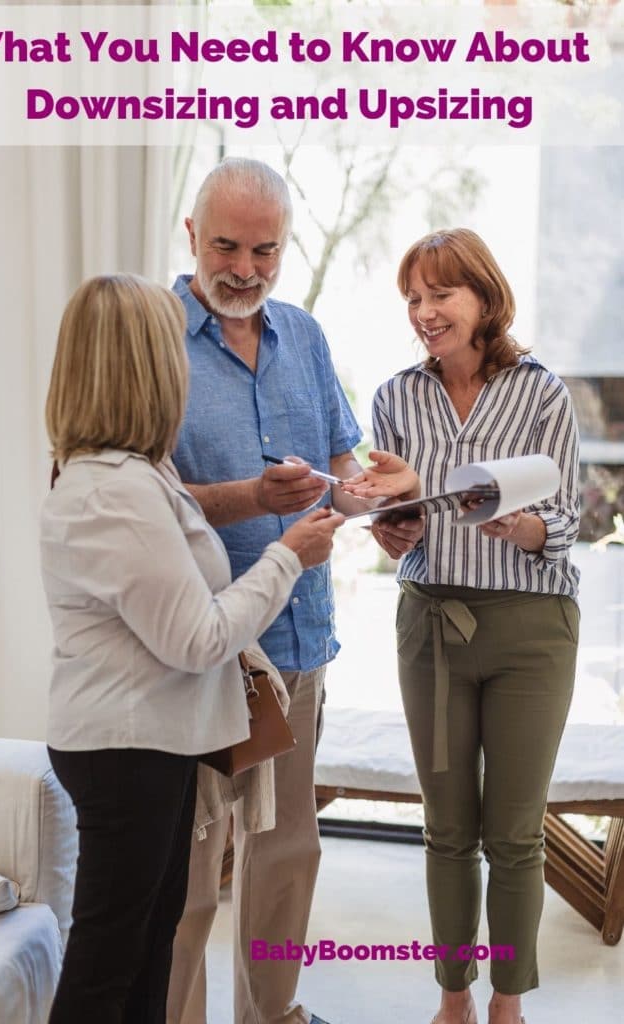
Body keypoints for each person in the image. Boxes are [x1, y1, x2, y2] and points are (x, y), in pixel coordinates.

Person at [40, 273, 346, 1024]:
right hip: (127, 750)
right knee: (110, 966)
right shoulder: (113, 489)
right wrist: (288, 556)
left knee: (143, 952)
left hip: (151, 745)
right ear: (144, 366)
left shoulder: (137, 474)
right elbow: (198, 637)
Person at [167, 158, 419, 1024]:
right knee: (190, 877)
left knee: (286, 854)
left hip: (296, 649)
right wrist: (249, 498)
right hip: (198, 652)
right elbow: (126, 493)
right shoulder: (150, 338)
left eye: (264, 250)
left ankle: (270, 1014)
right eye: (227, 247)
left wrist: (378, 504)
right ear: (192, 236)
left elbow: (338, 469)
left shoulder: (303, 336)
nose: (245, 269)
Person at [343, 229, 580, 1024]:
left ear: (482, 296)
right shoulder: (394, 396)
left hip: (531, 627)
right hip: (431, 627)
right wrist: (389, 529)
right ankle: (454, 999)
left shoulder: (541, 391)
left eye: (439, 293)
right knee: (446, 828)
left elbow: (568, 517)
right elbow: (391, 513)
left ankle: (506, 1003)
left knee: (513, 832)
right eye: (412, 297)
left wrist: (522, 528)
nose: (423, 311)